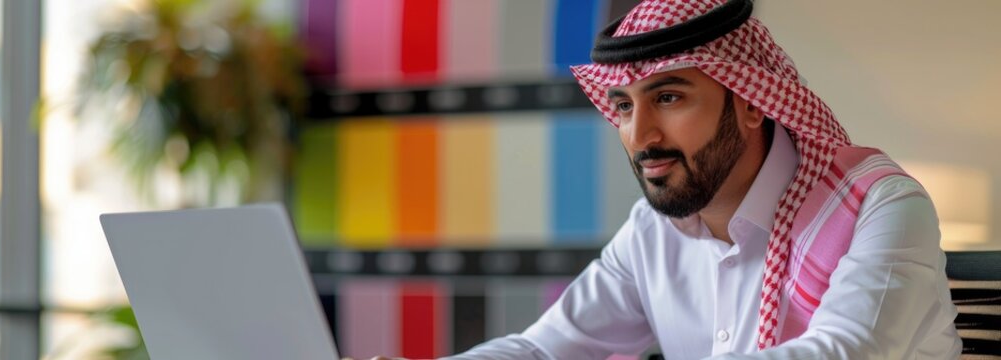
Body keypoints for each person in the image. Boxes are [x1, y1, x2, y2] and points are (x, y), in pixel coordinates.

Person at [366, 1, 961, 359]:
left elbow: (846, 353)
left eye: (669, 97)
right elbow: (547, 348)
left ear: (752, 101)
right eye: (622, 106)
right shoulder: (653, 233)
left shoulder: (880, 206)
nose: (639, 135)